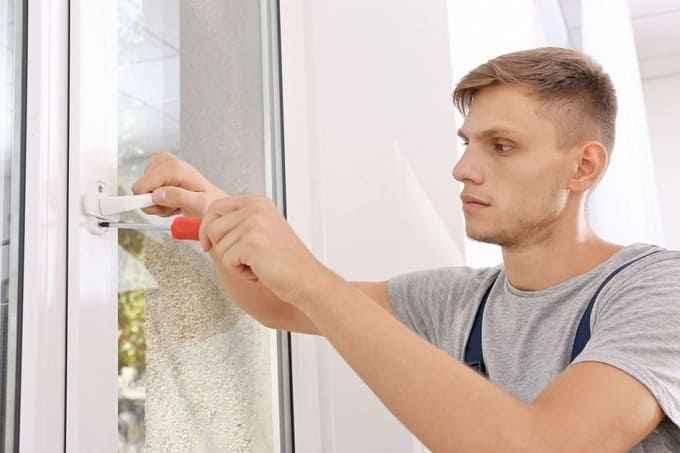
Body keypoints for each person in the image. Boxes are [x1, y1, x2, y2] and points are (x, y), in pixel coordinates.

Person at [132, 47, 680, 452]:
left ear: (583, 166)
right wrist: (217, 211)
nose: (463, 169)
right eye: (467, 143)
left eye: (502, 146)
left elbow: (541, 446)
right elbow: (281, 303)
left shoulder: (657, 290)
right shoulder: (458, 301)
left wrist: (307, 274)